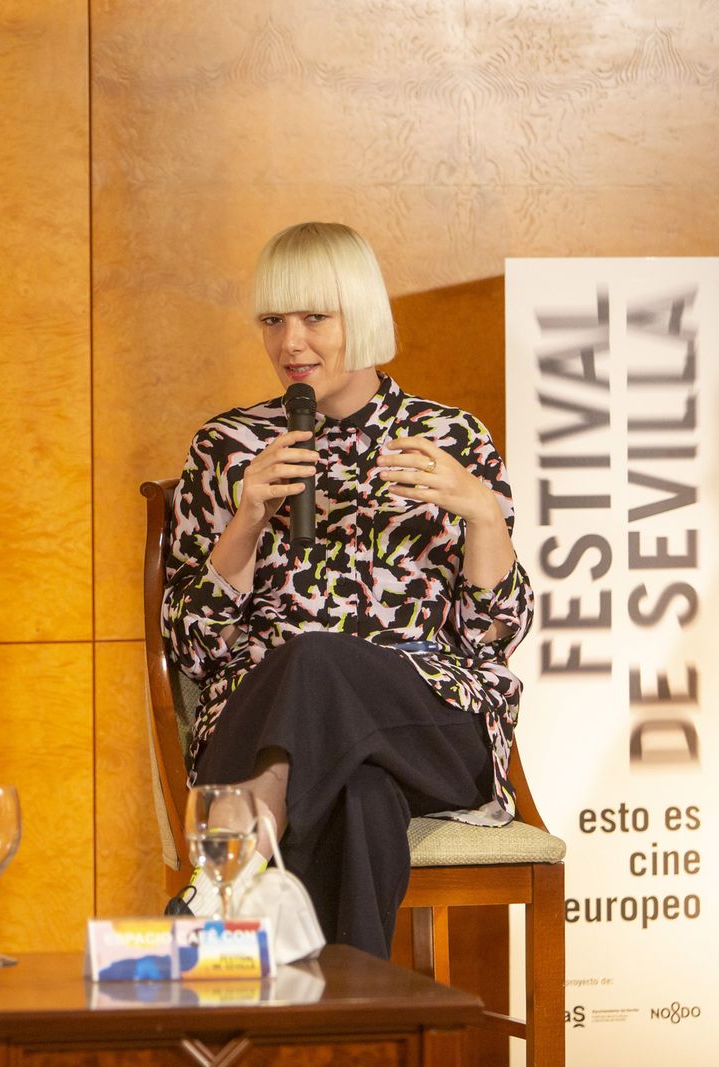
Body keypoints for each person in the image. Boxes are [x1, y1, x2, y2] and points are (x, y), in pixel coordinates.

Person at [163, 221, 533, 957]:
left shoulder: (448, 437)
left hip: (428, 721)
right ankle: (357, 1029)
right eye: (273, 321)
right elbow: (193, 648)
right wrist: (246, 518)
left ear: (359, 314)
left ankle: (234, 858)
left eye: (313, 318)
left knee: (319, 655)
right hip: (260, 712)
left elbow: (495, 634)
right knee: (360, 799)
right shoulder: (228, 447)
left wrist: (484, 517)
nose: (290, 343)